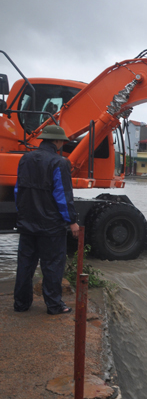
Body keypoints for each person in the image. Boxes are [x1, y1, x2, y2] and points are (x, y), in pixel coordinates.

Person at [14, 125, 80, 315]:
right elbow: (63, 195)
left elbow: (19, 190)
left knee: (25, 264)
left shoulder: (25, 159)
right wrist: (72, 220)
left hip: (27, 222)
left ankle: (21, 304)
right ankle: (54, 305)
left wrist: (23, 214)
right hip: (50, 226)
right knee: (51, 265)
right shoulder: (60, 162)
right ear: (57, 141)